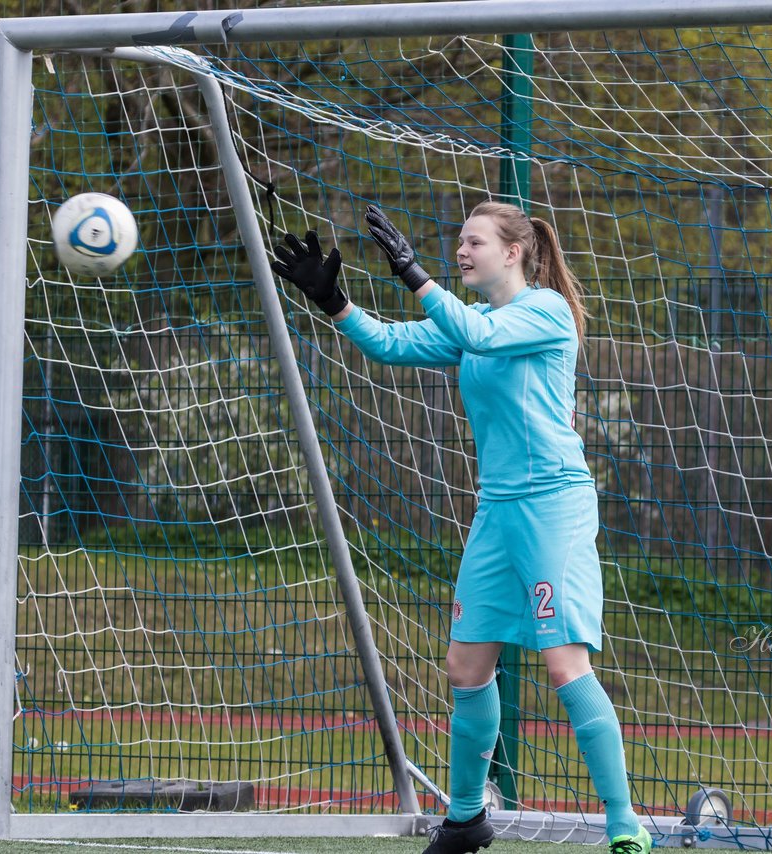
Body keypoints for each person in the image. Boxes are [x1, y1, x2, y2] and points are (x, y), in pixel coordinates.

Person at [271, 201, 651, 854]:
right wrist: (334, 302)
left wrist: (414, 273)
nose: (462, 251)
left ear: (515, 252)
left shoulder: (544, 313)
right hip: (499, 512)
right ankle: (468, 819)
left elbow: (478, 338)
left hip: (553, 508)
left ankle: (624, 824)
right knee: (465, 665)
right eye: (458, 243)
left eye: (474, 241)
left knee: (563, 665)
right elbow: (393, 344)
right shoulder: (472, 319)